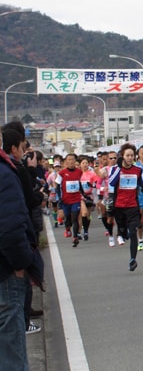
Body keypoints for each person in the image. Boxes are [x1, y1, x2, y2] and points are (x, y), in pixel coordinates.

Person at [0, 131, 40, 371]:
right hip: (5, 271)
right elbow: (11, 227)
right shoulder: (5, 172)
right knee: (10, 352)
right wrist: (22, 263)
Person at [109, 144, 143, 272]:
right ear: (122, 156)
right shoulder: (116, 169)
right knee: (123, 230)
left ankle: (133, 259)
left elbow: (140, 182)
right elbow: (111, 182)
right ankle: (121, 231)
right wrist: (120, 169)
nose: (130, 158)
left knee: (133, 232)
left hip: (132, 206)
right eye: (127, 155)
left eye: (132, 155)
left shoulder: (137, 170)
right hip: (119, 206)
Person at [56, 154, 85, 247]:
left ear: (75, 161)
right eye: (69, 160)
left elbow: (79, 183)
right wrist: (59, 197)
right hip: (65, 200)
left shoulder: (79, 172)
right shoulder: (62, 173)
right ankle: (68, 228)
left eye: (73, 159)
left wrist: (83, 193)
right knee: (68, 218)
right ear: (66, 162)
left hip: (76, 199)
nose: (71, 161)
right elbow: (57, 186)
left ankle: (75, 237)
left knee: (75, 217)